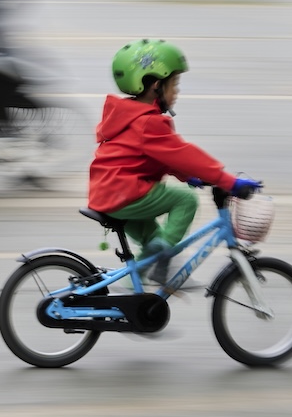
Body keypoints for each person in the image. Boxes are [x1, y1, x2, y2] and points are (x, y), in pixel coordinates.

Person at [88, 39, 257, 288]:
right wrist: (229, 182)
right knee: (185, 200)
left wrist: (188, 176)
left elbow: (155, 157)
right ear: (157, 86)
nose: (177, 91)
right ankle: (165, 258)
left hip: (109, 194)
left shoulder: (129, 116)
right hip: (124, 193)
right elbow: (183, 154)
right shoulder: (149, 123)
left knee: (153, 242)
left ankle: (134, 290)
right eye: (174, 84)